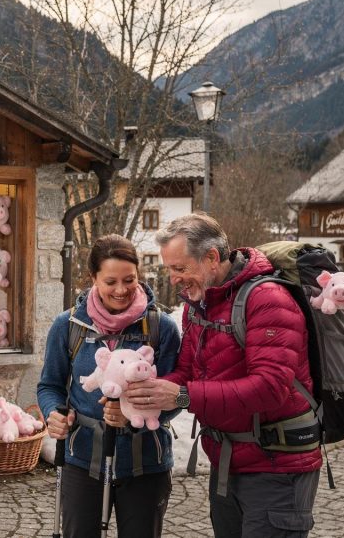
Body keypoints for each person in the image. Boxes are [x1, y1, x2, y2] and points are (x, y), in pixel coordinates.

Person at [125, 213, 322, 537]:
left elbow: (270, 388)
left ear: (212, 258)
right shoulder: (198, 304)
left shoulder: (268, 300)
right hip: (227, 462)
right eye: (169, 269)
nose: (173, 279)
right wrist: (141, 395)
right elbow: (188, 372)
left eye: (179, 268)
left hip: (277, 466)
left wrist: (183, 396)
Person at [38, 234, 181, 538]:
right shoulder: (68, 326)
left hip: (145, 462)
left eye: (129, 280)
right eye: (110, 281)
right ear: (93, 279)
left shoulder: (160, 327)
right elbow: (49, 385)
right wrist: (54, 413)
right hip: (82, 458)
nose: (121, 290)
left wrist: (133, 415)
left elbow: (177, 397)